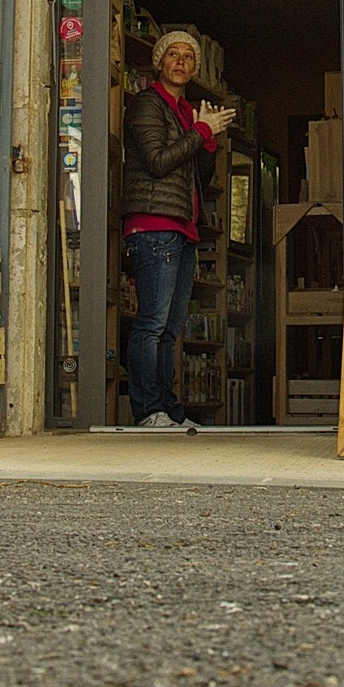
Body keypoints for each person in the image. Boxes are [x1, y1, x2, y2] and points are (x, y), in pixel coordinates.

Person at [121, 31, 235, 428]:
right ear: (159, 62)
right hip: (154, 225)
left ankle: (167, 409)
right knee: (151, 323)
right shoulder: (147, 105)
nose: (182, 61)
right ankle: (147, 410)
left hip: (182, 227)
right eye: (173, 54)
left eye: (189, 56)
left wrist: (207, 142)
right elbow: (156, 160)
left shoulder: (186, 110)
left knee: (170, 328)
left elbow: (198, 175)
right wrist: (201, 132)